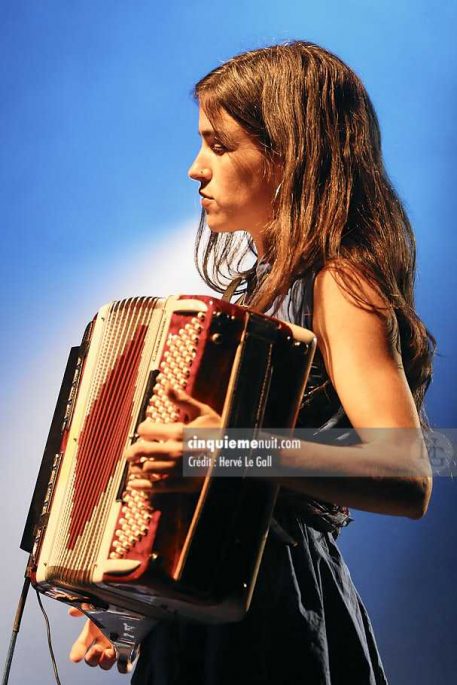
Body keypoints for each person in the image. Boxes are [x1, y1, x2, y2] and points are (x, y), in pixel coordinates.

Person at [69, 41, 434, 683]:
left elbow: (408, 472)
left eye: (221, 144)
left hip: (276, 622)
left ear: (290, 157)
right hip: (215, 601)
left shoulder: (341, 282)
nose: (195, 168)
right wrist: (135, 605)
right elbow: (227, 495)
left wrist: (226, 450)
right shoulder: (261, 290)